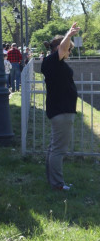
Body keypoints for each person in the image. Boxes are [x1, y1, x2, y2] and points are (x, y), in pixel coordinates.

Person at [41, 23, 80, 191]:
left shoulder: (54, 62)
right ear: (59, 48)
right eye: (68, 49)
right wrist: (69, 35)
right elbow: (63, 48)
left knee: (54, 147)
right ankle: (57, 185)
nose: (69, 52)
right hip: (61, 111)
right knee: (58, 149)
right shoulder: (52, 61)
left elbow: (63, 49)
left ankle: (53, 181)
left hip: (60, 110)